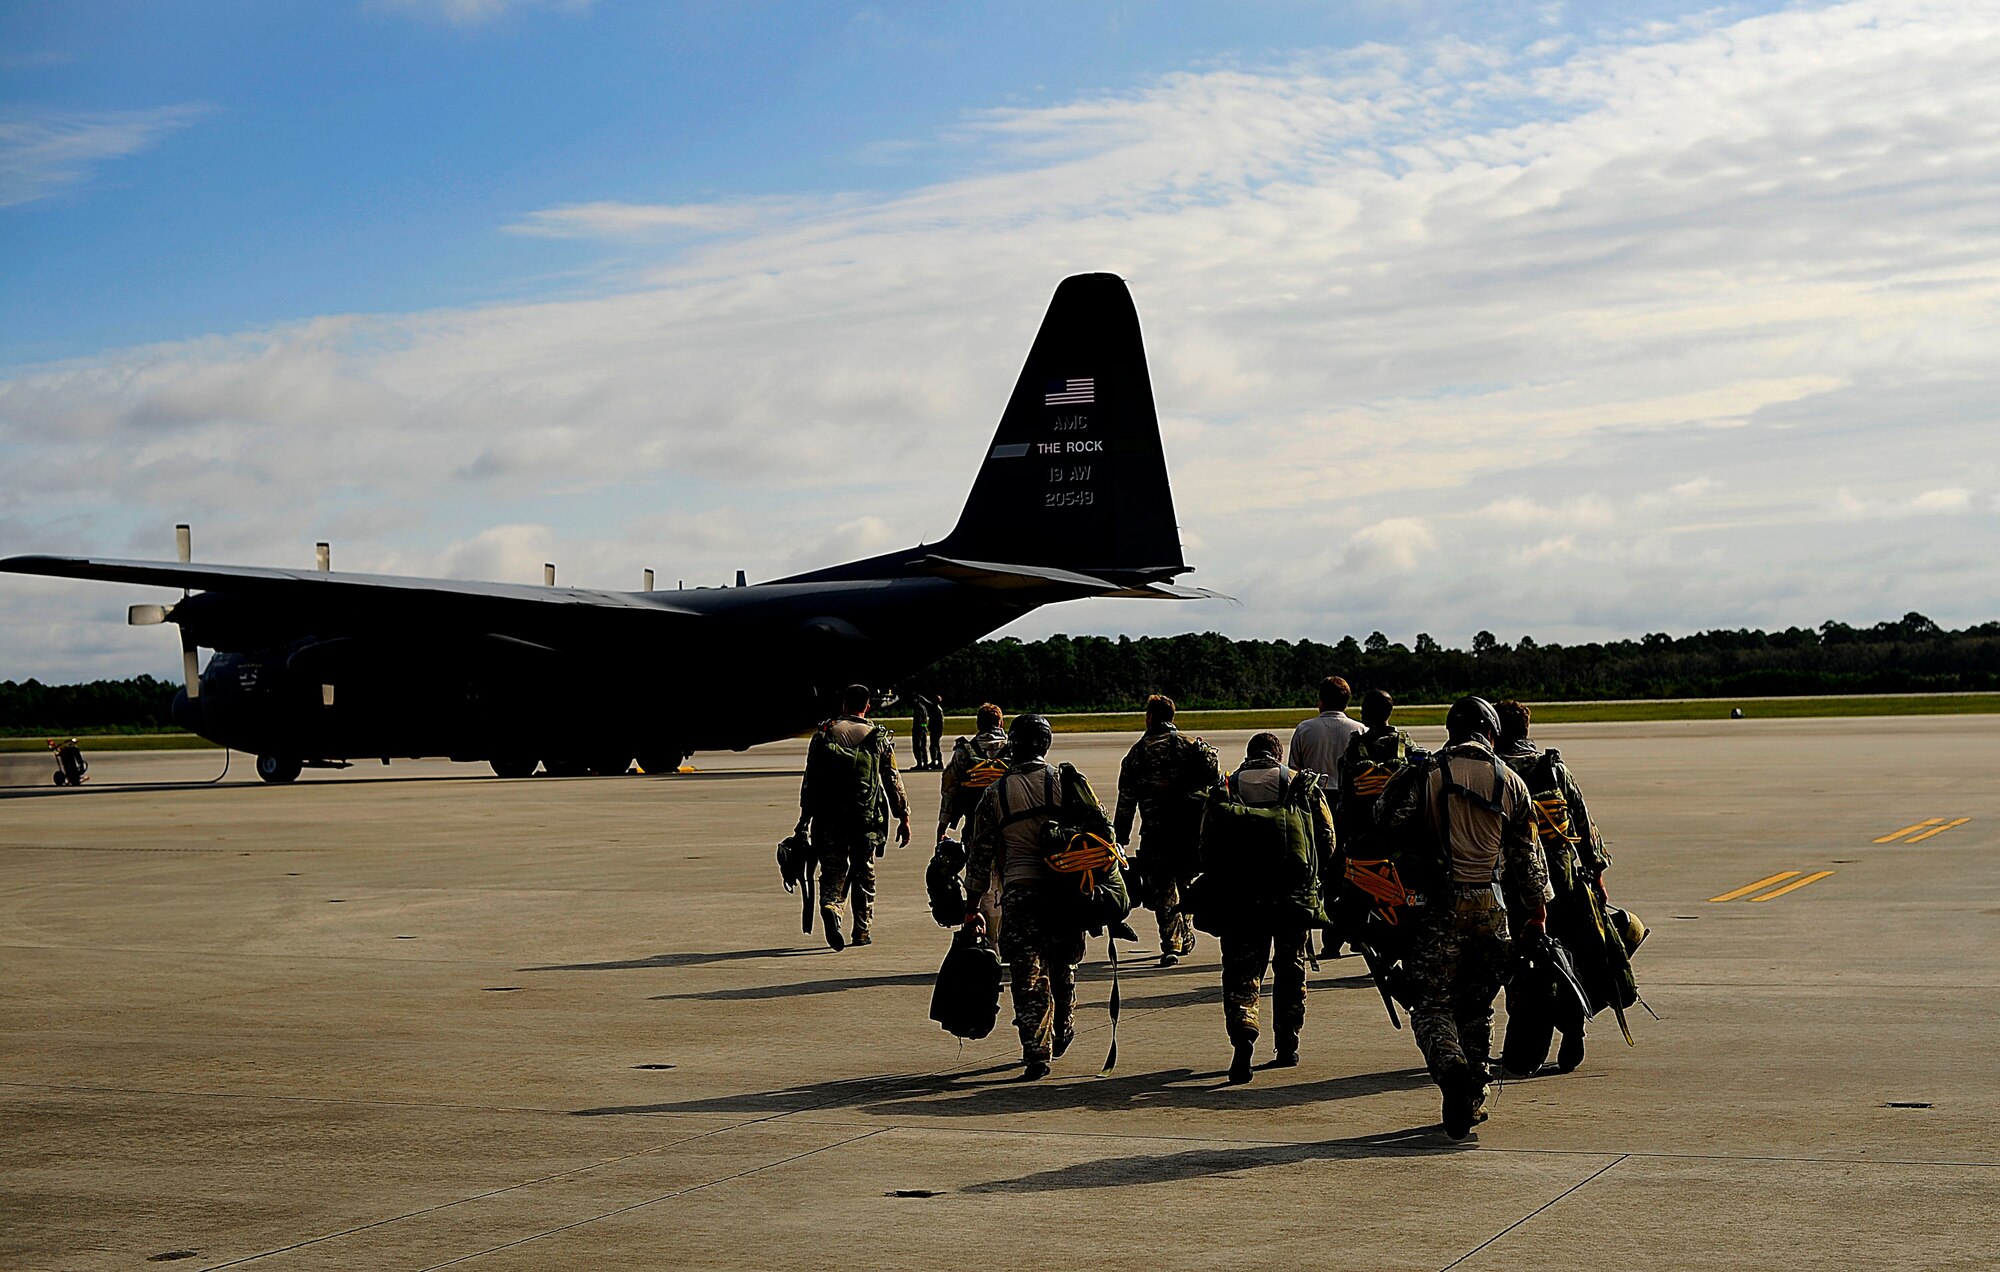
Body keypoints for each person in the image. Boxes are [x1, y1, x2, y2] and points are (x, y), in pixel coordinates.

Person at [1378, 696, 1550, 1139]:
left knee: (1432, 1003)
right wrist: (1537, 913)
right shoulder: (1510, 781)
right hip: (1493, 910)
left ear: (1451, 731)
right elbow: (1528, 859)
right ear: (1491, 733)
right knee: (1477, 1007)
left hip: (1440, 907)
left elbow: (1386, 821)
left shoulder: (1429, 773)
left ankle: (1452, 1070)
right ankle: (1471, 1099)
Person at [1492, 699, 1631, 1076]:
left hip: (1516, 886)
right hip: (1566, 881)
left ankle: (1525, 1045)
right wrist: (1597, 874)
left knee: (1523, 970)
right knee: (1566, 958)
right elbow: (1583, 824)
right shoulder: (1552, 768)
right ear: (1526, 728)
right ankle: (1573, 1026)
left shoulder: (1496, 772)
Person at [963, 713, 1098, 1079]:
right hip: (1065, 890)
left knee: (1027, 974)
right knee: (1063, 963)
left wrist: (972, 907)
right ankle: (1064, 1023)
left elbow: (980, 855)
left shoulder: (995, 794)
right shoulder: (1065, 781)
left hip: (1021, 892)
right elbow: (1097, 829)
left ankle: (1036, 1050)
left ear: (1014, 745)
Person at [1199, 733, 1335, 1084]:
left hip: (1240, 898)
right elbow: (1327, 838)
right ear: (1278, 755)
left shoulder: (1227, 787)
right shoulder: (1299, 783)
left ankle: (1244, 1031)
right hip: (1290, 896)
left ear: (1249, 756)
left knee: (1242, 969)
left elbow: (1207, 844)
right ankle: (1287, 1043)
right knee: (1290, 966)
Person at [794, 683, 911, 950]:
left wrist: (805, 817)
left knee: (832, 870)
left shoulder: (825, 734)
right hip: (865, 819)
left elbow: (810, 779)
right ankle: (861, 930)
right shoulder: (877, 737)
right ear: (867, 706)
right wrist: (903, 816)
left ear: (844, 704)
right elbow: (892, 780)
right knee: (864, 873)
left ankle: (832, 907)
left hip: (829, 817)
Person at [1115, 694, 1219, 966]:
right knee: (1182, 881)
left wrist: (1119, 840)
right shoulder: (1192, 745)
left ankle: (1171, 942)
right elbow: (1216, 781)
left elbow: (1126, 801)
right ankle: (1182, 933)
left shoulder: (1136, 754)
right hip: (1190, 831)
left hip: (1156, 832)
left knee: (1163, 887)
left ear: (1150, 717)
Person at [938, 703, 1012, 936]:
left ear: (978, 725)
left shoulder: (964, 753)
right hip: (1012, 831)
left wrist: (942, 826)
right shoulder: (1015, 749)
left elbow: (949, 791)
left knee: (984, 887)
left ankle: (989, 941)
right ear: (1001, 723)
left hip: (976, 830)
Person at [1335, 689, 1422, 847]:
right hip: (1398, 828)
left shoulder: (1355, 748)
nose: (1361, 711)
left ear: (1371, 711)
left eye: (1365, 707)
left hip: (1362, 827)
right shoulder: (1406, 745)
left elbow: (1346, 792)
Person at [1289, 676, 1365, 805]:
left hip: (1314, 797)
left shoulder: (1304, 729)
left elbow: (1293, 769)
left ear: (1321, 701)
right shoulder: (1361, 730)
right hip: (1349, 798)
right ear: (1346, 703)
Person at [907, 689, 932, 774]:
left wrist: (918, 728)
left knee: (918, 747)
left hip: (919, 730)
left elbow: (919, 721)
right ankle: (924, 763)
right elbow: (924, 722)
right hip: (923, 730)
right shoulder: (924, 708)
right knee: (923, 747)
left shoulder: (918, 708)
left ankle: (920, 764)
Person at [923, 693, 945, 770]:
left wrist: (939, 732)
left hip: (936, 732)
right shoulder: (935, 708)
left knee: (934, 747)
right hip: (935, 731)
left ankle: (937, 762)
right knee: (935, 747)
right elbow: (927, 703)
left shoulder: (938, 710)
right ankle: (936, 761)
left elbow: (940, 723)